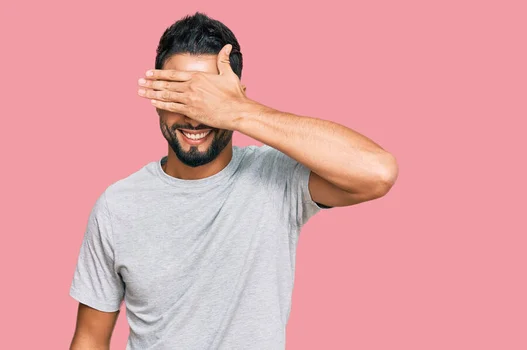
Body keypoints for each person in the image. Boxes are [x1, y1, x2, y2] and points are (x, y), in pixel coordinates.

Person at [69, 12, 398, 350]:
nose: (196, 113)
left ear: (237, 96)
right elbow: (91, 337)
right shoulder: (118, 204)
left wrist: (237, 111)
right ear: (156, 99)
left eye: (209, 97)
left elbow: (377, 171)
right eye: (180, 94)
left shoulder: (277, 178)